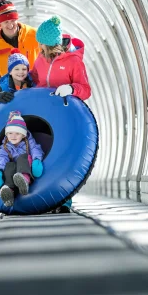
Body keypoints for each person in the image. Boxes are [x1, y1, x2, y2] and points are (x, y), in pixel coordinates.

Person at [31, 16, 92, 213]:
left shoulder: (74, 61)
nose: (39, 47)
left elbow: (86, 90)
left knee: (63, 156)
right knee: (43, 153)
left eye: (41, 44)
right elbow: (33, 81)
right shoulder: (40, 60)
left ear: (50, 44)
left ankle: (64, 200)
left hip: (65, 116)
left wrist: (71, 89)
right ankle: (45, 197)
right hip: (44, 115)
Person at [0, 0, 40, 100]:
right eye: (6, 22)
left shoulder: (34, 35)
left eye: (13, 20)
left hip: (35, 93)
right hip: (9, 97)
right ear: (0, 23)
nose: (10, 25)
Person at [0, 111, 44, 207]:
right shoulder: (5, 146)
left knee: (23, 158)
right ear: (6, 134)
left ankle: (24, 180)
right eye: (10, 133)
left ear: (23, 135)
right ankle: (8, 191)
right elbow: (2, 157)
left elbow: (35, 149)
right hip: (14, 171)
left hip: (25, 166)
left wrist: (37, 160)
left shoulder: (28, 141)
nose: (13, 136)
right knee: (9, 165)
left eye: (17, 133)